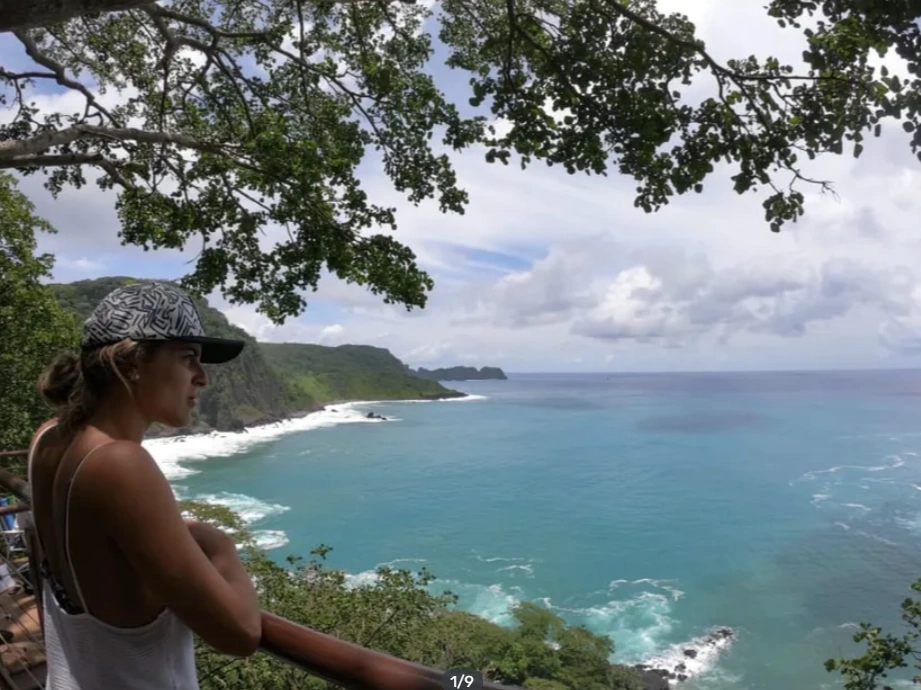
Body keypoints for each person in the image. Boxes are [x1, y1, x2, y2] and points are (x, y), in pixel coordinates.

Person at [25, 281, 262, 689]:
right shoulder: (120, 462)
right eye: (188, 358)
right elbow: (240, 634)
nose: (202, 378)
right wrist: (217, 543)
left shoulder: (48, 438)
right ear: (132, 362)